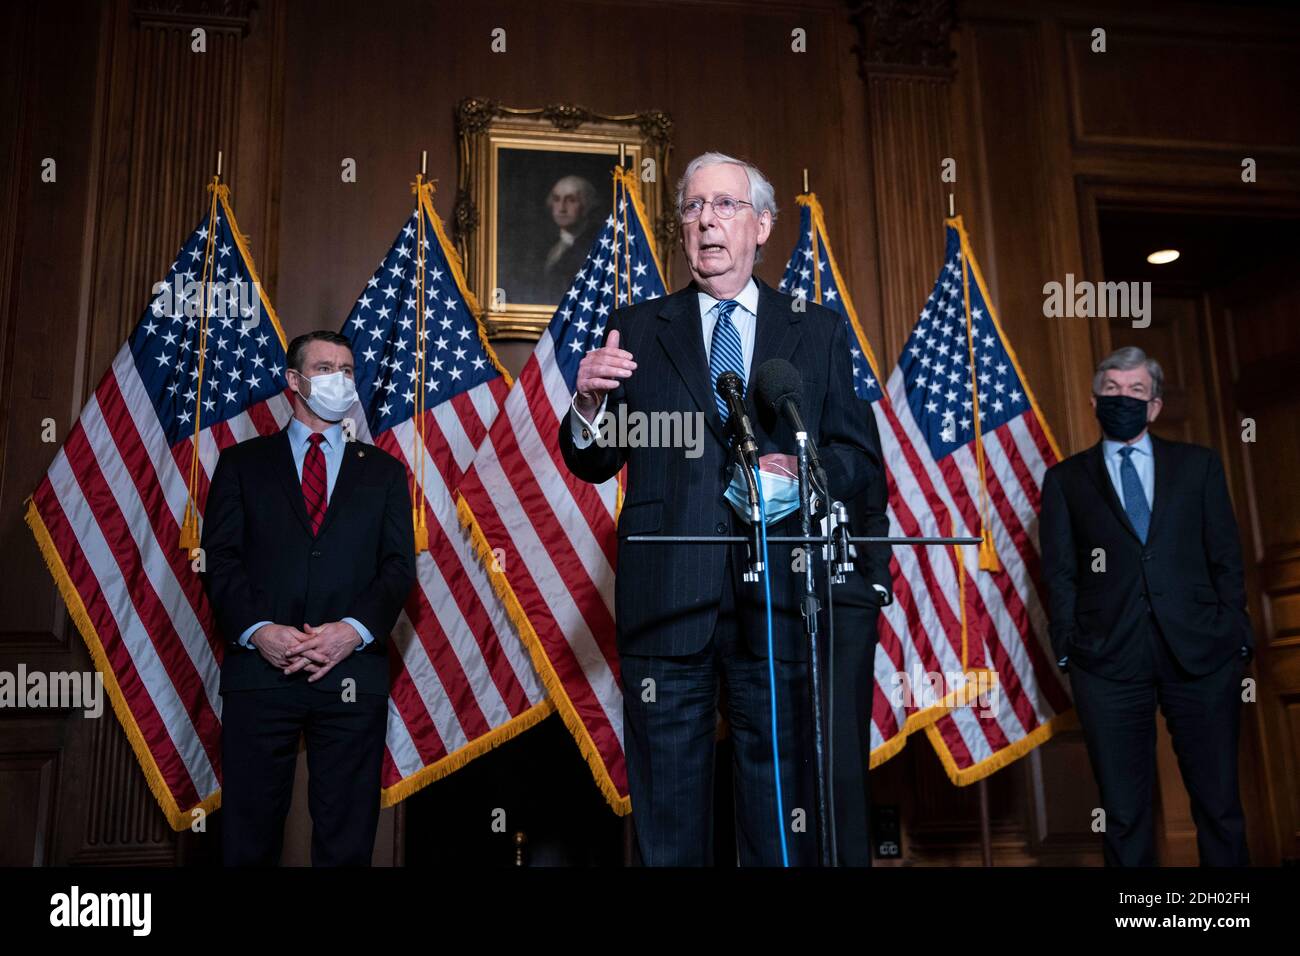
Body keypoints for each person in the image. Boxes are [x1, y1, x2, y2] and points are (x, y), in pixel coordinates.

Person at [559, 151, 881, 865]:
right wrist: (586, 404)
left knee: (777, 825)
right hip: (667, 610)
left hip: (779, 611)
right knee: (669, 831)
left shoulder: (817, 330)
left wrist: (805, 468)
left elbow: (860, 462)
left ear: (763, 225)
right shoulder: (639, 328)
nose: (706, 220)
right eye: (694, 207)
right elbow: (596, 457)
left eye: (726, 205)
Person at [202, 330, 416, 866]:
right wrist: (259, 632)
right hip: (261, 673)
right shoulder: (241, 464)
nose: (339, 380)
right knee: (248, 837)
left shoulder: (386, 472)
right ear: (293, 381)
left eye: (347, 369)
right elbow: (220, 559)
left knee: (346, 838)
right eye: (325, 369)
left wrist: (352, 632)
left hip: (350, 674)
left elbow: (397, 569)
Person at [1040, 346, 1252, 866]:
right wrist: (1067, 645)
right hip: (1107, 660)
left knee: (1218, 803)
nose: (1124, 399)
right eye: (1113, 389)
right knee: (1123, 810)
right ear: (1094, 401)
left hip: (1201, 653)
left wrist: (1235, 632)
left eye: (1136, 391)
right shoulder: (1065, 480)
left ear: (1155, 406)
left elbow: (1226, 555)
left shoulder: (1199, 466)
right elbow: (1060, 573)